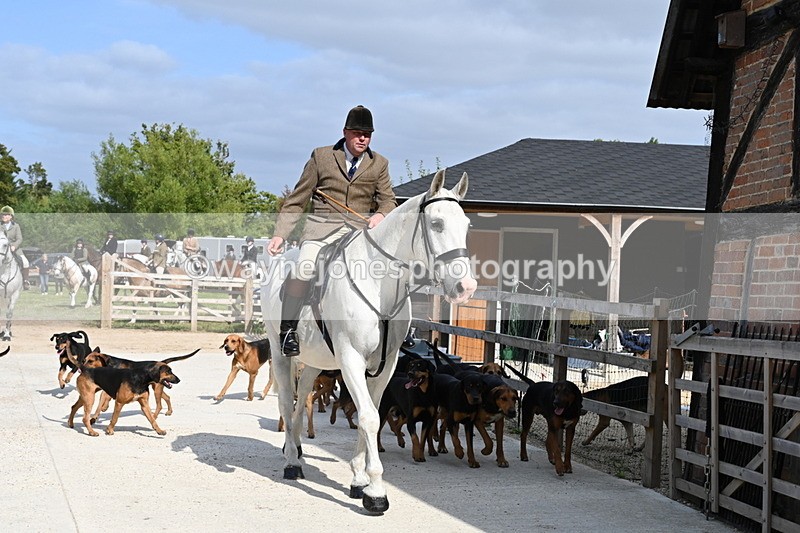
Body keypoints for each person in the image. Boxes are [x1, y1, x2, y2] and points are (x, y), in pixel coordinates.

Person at [267, 105, 396, 356]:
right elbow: (297, 199)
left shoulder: (379, 163)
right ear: (345, 132)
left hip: (359, 231)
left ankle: (393, 329)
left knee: (390, 270)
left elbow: (388, 200)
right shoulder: (322, 157)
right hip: (321, 229)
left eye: (368, 134)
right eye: (358, 133)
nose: (363, 138)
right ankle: (288, 331)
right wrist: (280, 234)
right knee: (304, 267)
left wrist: (381, 214)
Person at [0, 205, 31, 289]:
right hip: (1, 248)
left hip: (14, 248)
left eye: (6, 215)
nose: (3, 216)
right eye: (2, 214)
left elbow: (19, 238)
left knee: (25, 262)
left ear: (11, 216)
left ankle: (25, 281)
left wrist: (14, 246)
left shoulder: (16, 226)